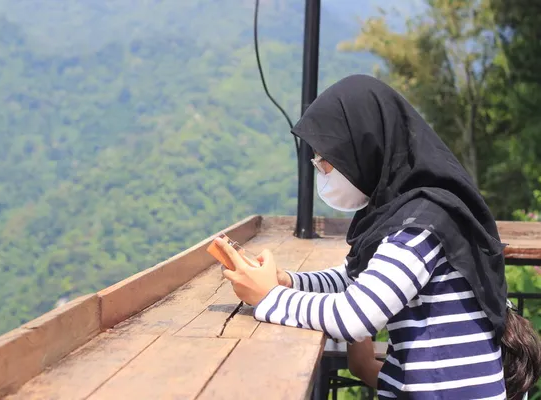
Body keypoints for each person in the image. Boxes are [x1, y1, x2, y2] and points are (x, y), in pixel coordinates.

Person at [215, 74, 541, 399]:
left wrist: (268, 297)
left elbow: (355, 317)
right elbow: (355, 280)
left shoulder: (422, 224)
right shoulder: (407, 212)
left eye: (325, 161)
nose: (320, 170)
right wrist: (288, 280)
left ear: (363, 149)